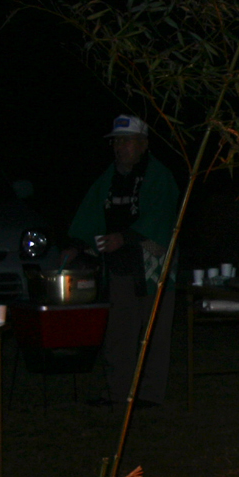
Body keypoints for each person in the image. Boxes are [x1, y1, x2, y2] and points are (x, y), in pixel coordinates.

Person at [67, 115, 180, 407]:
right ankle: (119, 393)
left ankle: (150, 395)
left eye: (126, 141)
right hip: (119, 267)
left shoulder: (159, 176)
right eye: (116, 141)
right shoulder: (110, 177)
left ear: (143, 144)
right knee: (119, 331)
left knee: (153, 331)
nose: (120, 147)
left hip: (153, 270)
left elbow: (162, 217)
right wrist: (77, 244)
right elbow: (90, 213)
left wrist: (126, 237)